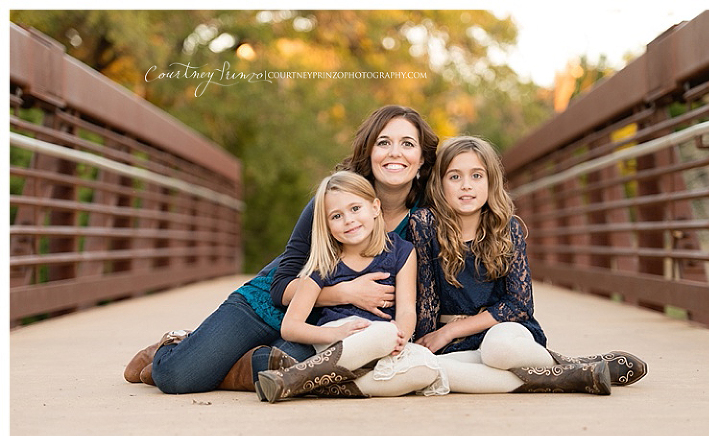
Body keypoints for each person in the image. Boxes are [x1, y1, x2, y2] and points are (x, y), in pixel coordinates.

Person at [123, 105, 439, 396]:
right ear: (369, 151)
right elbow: (280, 286)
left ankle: (227, 361)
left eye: (407, 144)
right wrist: (346, 293)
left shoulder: (424, 220)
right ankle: (178, 345)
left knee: (289, 368)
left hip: (323, 328)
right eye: (383, 142)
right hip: (270, 307)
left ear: (422, 158)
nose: (394, 153)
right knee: (181, 377)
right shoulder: (334, 200)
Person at [409, 136, 648, 394]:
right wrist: (432, 339)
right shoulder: (425, 225)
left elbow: (519, 305)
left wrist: (452, 330)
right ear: (440, 184)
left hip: (502, 333)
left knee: (497, 352)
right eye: (455, 177)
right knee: (427, 368)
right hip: (453, 345)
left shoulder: (506, 228)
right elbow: (427, 297)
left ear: (491, 182)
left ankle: (565, 366)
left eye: (477, 176)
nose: (466, 185)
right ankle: (574, 374)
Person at [256, 171, 446, 403]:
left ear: (375, 207)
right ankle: (302, 376)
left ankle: (303, 382)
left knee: (426, 368)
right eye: (336, 216)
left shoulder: (403, 251)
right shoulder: (323, 262)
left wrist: (402, 335)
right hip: (338, 338)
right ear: (326, 225)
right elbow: (290, 327)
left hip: (384, 341)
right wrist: (334, 333)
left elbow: (407, 309)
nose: (349, 220)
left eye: (355, 209)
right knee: (384, 334)